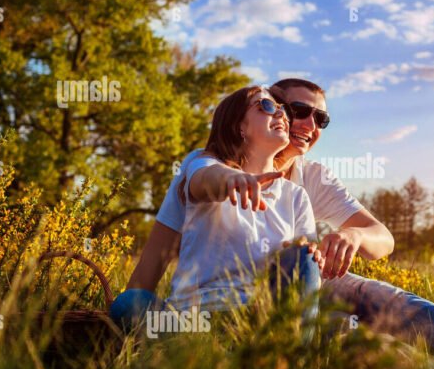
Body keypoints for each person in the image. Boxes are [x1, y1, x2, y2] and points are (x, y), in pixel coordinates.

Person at [121, 78, 434, 369]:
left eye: (321, 119)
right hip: (235, 300)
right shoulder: (205, 164)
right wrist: (131, 309)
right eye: (296, 110)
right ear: (248, 119)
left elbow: (381, 238)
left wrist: (352, 238)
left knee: (360, 288)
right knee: (346, 332)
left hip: (294, 291)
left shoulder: (307, 183)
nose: (308, 125)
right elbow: (162, 245)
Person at [110, 86, 323, 342]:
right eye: (266, 106)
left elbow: (306, 265)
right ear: (238, 126)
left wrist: (308, 253)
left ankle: (286, 358)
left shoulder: (296, 197)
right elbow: (204, 179)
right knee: (129, 303)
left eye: (283, 110)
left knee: (306, 257)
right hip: (190, 320)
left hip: (256, 322)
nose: (281, 114)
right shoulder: (204, 164)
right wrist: (232, 179)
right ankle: (189, 351)